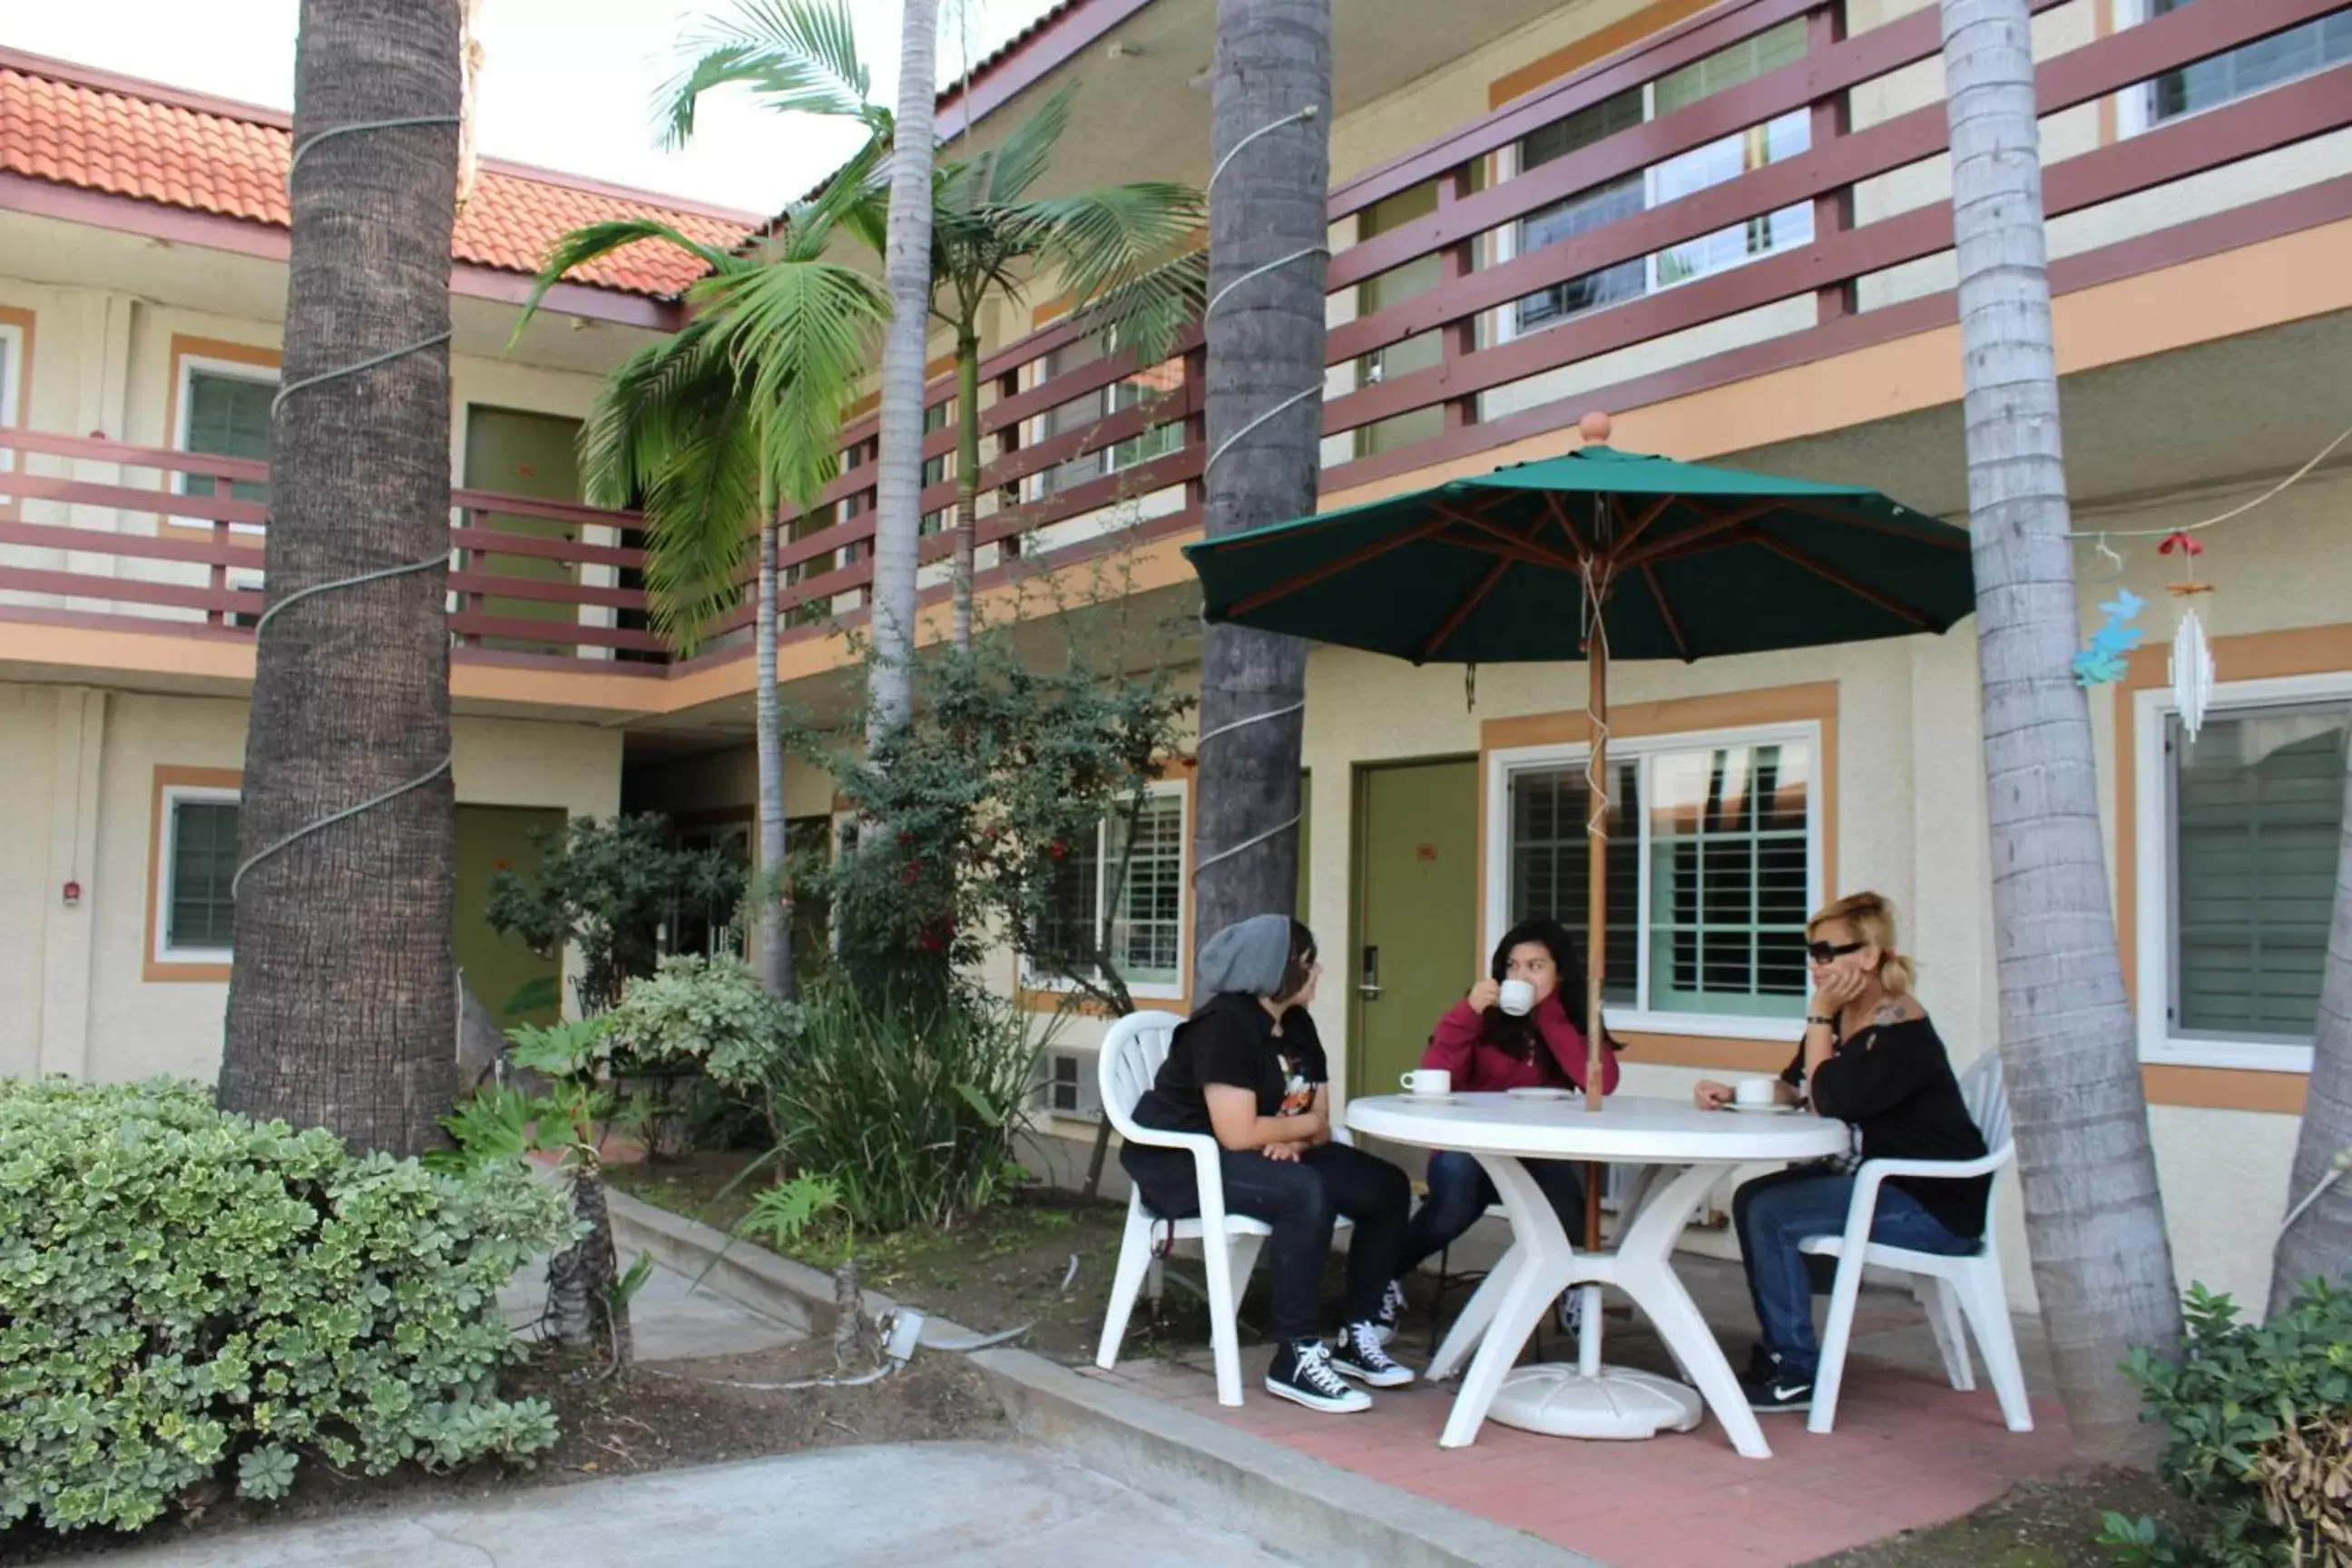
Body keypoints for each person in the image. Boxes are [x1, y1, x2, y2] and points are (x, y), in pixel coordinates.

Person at [1695, 891, 1990, 1414]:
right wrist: (1736, 1093)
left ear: (1869, 955)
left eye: (1828, 951)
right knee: (1753, 1198)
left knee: (1770, 1212)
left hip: (1933, 1203)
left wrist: (1818, 1016)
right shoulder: (1848, 1016)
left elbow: (1832, 1101)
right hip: (1884, 1183)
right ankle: (1787, 1350)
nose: (1816, 963)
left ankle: (1797, 1371)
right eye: (1811, 951)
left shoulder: (1896, 1022)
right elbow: (1800, 1085)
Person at [1119, 915, 1416, 1414]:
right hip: (1184, 1162)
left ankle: (1357, 1332)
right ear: (1272, 971)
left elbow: (1320, 1117)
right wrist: (1293, 1133)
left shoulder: (1297, 1025)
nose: (1318, 971)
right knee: (1303, 1193)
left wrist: (1293, 1141)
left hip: (1256, 1152)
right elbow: (1236, 1132)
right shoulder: (1225, 1026)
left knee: (1385, 1186)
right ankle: (1295, 1354)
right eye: (1307, 963)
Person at [1384, 918, 1621, 1338]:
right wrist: (1468, 1013)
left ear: (1559, 972)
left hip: (1537, 1153)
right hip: (1470, 1149)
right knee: (1454, 1198)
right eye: (1512, 966)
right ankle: (1384, 1274)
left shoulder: (1572, 1020)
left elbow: (1603, 1082)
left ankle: (1572, 1285)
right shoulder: (1482, 1017)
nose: (1520, 976)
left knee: (1566, 1201)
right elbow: (1436, 1077)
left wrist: (1549, 1013)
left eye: (1535, 966)